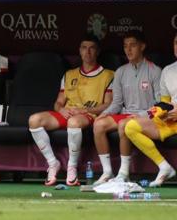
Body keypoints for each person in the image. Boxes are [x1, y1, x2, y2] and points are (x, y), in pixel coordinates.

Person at [28, 34, 114, 186]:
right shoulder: (69, 74)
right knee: (34, 120)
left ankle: (71, 167)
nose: (87, 52)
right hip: (67, 113)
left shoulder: (108, 75)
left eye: (92, 48)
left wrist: (85, 110)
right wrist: (61, 110)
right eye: (84, 48)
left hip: (88, 114)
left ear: (97, 51)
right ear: (79, 51)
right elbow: (59, 102)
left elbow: (108, 104)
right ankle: (53, 163)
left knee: (74, 122)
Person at [92, 32, 161, 185]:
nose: (128, 49)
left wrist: (141, 115)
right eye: (125, 46)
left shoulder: (155, 71)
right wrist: (104, 114)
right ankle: (107, 172)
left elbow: (159, 103)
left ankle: (123, 173)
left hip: (146, 117)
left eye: (133, 45)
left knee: (125, 124)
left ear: (142, 46)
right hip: (126, 114)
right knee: (98, 124)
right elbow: (117, 102)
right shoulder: (121, 72)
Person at [124, 33, 177, 187]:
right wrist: (148, 115)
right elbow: (164, 103)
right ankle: (164, 167)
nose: (176, 46)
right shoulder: (168, 71)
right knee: (131, 126)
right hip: (172, 120)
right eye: (175, 42)